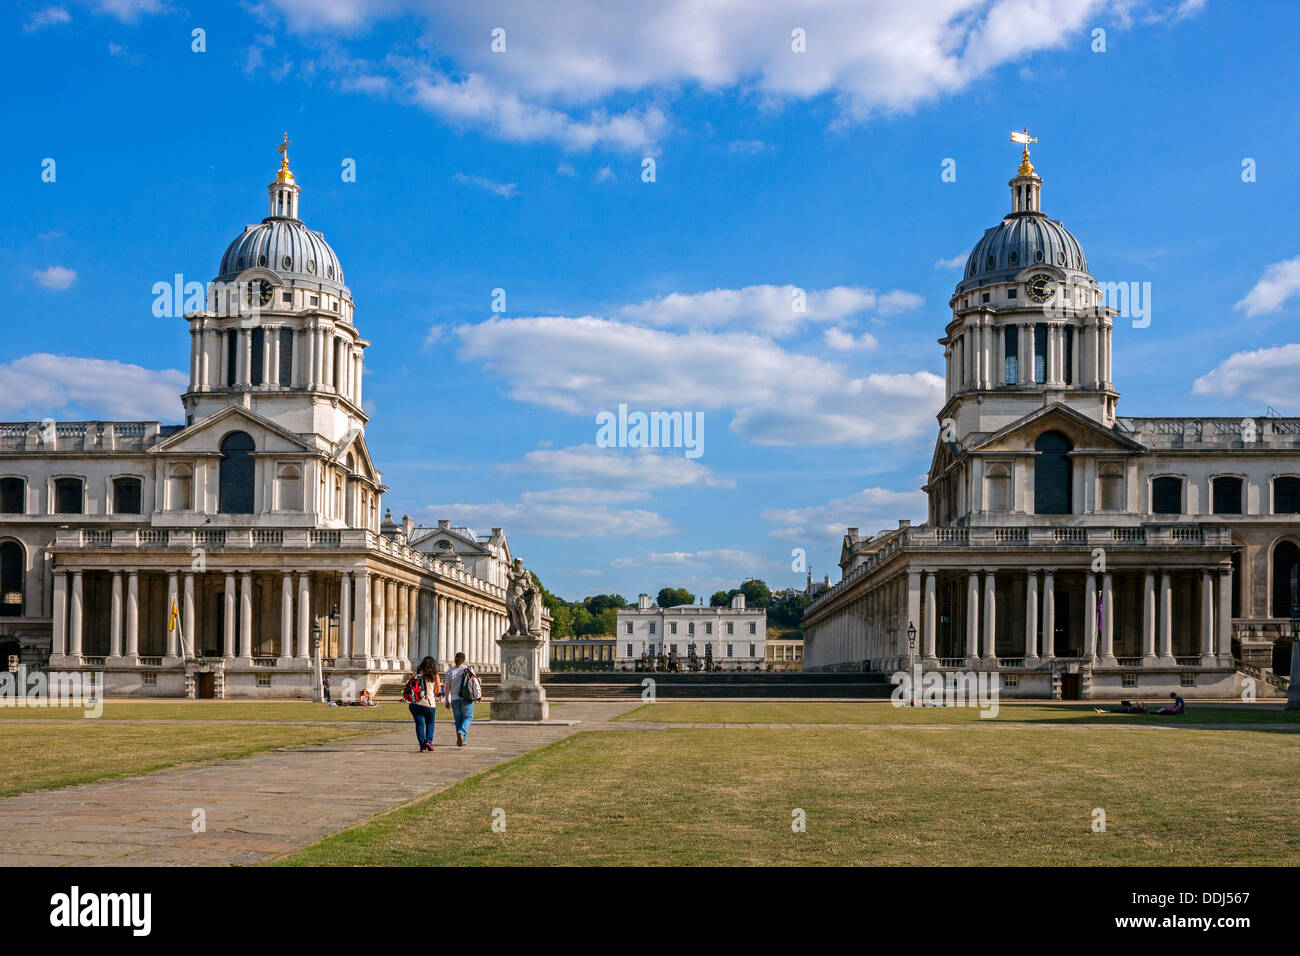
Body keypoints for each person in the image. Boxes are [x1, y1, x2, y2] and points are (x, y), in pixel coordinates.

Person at [406, 656, 442, 752]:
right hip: (429, 703)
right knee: (430, 723)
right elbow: (437, 691)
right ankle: (429, 741)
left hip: (416, 703)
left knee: (420, 725)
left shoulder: (416, 674)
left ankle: (422, 746)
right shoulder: (435, 676)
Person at [444, 652, 478, 747]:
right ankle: (461, 732)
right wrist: (478, 695)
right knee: (468, 717)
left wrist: (447, 700)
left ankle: (463, 740)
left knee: (458, 720)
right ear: (464, 660)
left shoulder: (450, 671)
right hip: (466, 697)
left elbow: (447, 687)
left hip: (455, 699)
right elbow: (475, 684)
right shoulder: (468, 670)